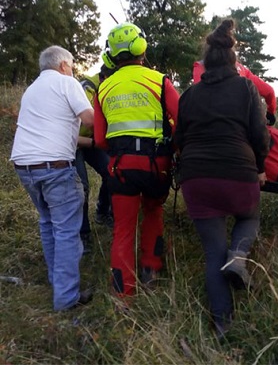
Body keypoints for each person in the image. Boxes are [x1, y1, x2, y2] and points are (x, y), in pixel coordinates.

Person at [174, 19, 269, 338]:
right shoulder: (245, 87)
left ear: (204, 63)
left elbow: (179, 140)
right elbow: (259, 134)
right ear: (234, 61)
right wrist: (261, 166)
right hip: (238, 170)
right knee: (249, 216)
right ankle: (239, 256)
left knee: (212, 251)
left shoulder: (188, 95)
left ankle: (221, 325)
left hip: (196, 178)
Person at [93, 22, 180, 298]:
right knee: (153, 212)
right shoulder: (159, 80)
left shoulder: (103, 88)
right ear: (141, 48)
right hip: (156, 166)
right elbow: (181, 121)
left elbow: (100, 140)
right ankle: (151, 271)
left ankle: (123, 294)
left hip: (120, 168)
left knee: (123, 227)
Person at [10, 45, 94, 311]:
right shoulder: (67, 83)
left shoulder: (31, 90)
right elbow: (91, 118)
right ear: (63, 65)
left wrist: (91, 145)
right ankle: (67, 299)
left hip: (24, 165)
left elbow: (53, 130)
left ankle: (55, 279)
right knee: (67, 230)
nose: (71, 69)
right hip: (55, 167)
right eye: (71, 65)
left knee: (48, 222)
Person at [76, 69, 114, 254]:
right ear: (103, 78)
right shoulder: (86, 89)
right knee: (82, 186)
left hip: (91, 140)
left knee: (111, 171)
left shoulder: (109, 87)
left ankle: (102, 212)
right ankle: (83, 234)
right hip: (72, 143)